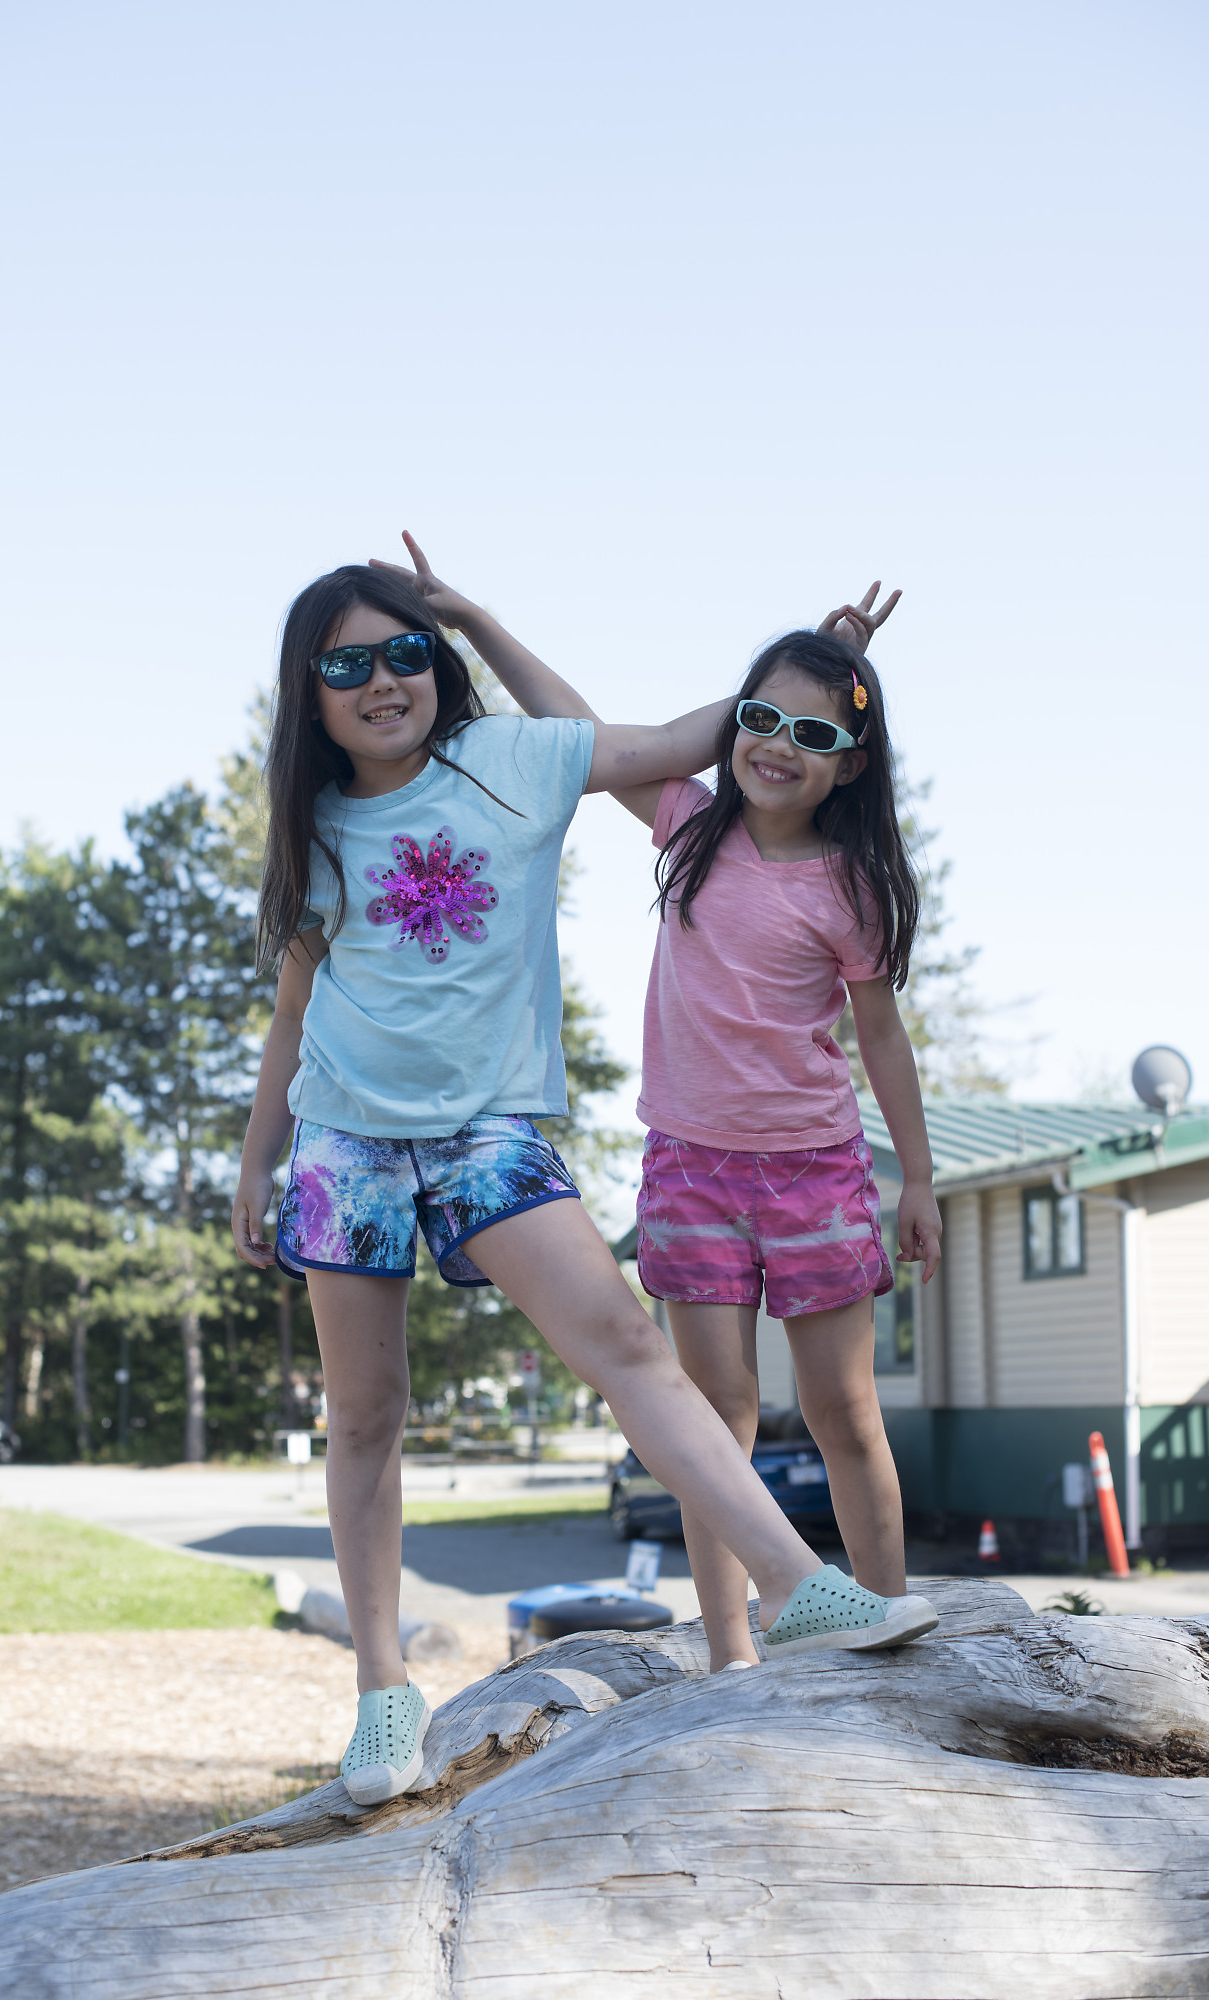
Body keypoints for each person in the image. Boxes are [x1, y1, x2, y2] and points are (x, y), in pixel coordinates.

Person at [231, 541, 938, 1806]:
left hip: (488, 1130)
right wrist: (256, 1160)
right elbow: (293, 1011)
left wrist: (823, 673)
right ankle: (384, 1690)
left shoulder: (511, 763)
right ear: (311, 696)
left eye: (404, 652)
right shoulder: (318, 826)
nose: (383, 679)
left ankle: (798, 1586)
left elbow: (682, 737)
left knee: (625, 1341)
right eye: (347, 666)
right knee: (367, 1412)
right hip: (343, 1140)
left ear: (438, 663)